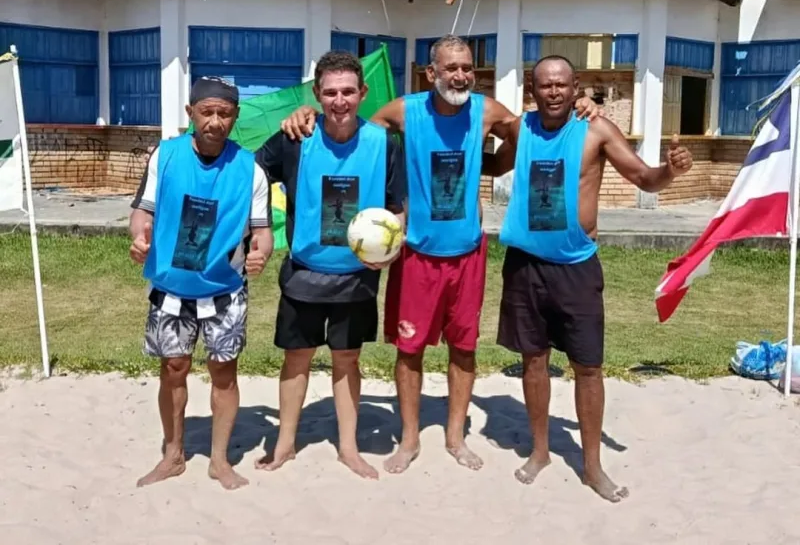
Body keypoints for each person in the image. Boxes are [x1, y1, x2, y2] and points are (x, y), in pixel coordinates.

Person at [280, 35, 601, 475]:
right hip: (416, 255)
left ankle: (454, 437)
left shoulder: (486, 111)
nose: (460, 75)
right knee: (409, 350)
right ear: (431, 73)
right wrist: (308, 116)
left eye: (467, 67)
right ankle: (409, 439)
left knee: (463, 350)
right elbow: (349, 129)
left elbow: (535, 128)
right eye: (450, 67)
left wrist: (582, 106)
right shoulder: (404, 112)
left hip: (467, 254)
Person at [483, 55, 693, 502]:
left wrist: (671, 170)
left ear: (575, 85)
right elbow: (492, 166)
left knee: (588, 366)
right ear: (532, 89)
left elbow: (643, 177)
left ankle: (592, 465)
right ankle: (539, 451)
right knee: (533, 360)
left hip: (576, 267)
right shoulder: (521, 130)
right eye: (544, 85)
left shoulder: (596, 129)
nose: (553, 92)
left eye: (561, 84)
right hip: (524, 265)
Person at [253, 50, 407, 479]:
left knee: (346, 361)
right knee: (296, 359)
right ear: (317, 95)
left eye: (348, 92)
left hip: (357, 277)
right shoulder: (295, 137)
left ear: (363, 93)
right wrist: (258, 230)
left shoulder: (384, 143)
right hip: (304, 273)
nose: (339, 101)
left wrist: (392, 242)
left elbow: (399, 206)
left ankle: (348, 447)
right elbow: (249, 177)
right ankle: (284, 445)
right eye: (330, 93)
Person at [129, 76, 274, 491]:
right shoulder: (166, 155)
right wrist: (139, 237)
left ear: (236, 116)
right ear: (191, 112)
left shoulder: (250, 169)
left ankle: (219, 460)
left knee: (223, 372)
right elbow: (143, 210)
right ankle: (173, 455)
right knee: (173, 369)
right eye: (206, 112)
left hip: (224, 290)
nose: (215, 121)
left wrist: (261, 251)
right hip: (172, 288)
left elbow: (261, 230)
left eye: (224, 113)